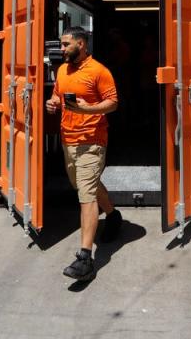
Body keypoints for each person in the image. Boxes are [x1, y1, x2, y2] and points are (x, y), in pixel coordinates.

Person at [44, 26, 121, 282]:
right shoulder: (62, 70)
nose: (62, 49)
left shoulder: (99, 71)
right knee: (84, 185)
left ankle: (85, 258)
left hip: (92, 140)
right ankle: (112, 214)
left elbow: (113, 102)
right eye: (61, 45)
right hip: (69, 139)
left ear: (81, 43)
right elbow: (57, 95)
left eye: (66, 44)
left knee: (85, 194)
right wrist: (53, 103)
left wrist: (89, 110)